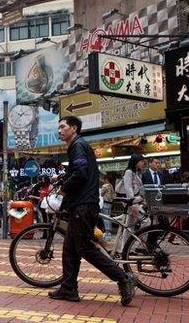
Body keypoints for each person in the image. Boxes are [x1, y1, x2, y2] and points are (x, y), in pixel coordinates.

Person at [49, 116, 136, 306]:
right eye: (59, 127)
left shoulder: (77, 145)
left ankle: (123, 278)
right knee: (69, 248)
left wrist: (64, 188)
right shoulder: (77, 146)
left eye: (63, 127)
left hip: (84, 204)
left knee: (84, 248)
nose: (59, 130)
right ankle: (68, 288)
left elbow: (80, 175)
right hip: (80, 204)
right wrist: (62, 179)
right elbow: (77, 171)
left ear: (74, 128)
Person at [119, 154, 151, 252]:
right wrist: (132, 203)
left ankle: (124, 249)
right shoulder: (129, 172)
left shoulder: (135, 172)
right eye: (141, 161)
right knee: (146, 221)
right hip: (132, 202)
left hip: (134, 202)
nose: (143, 163)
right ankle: (140, 246)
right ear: (136, 161)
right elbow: (128, 188)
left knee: (129, 226)